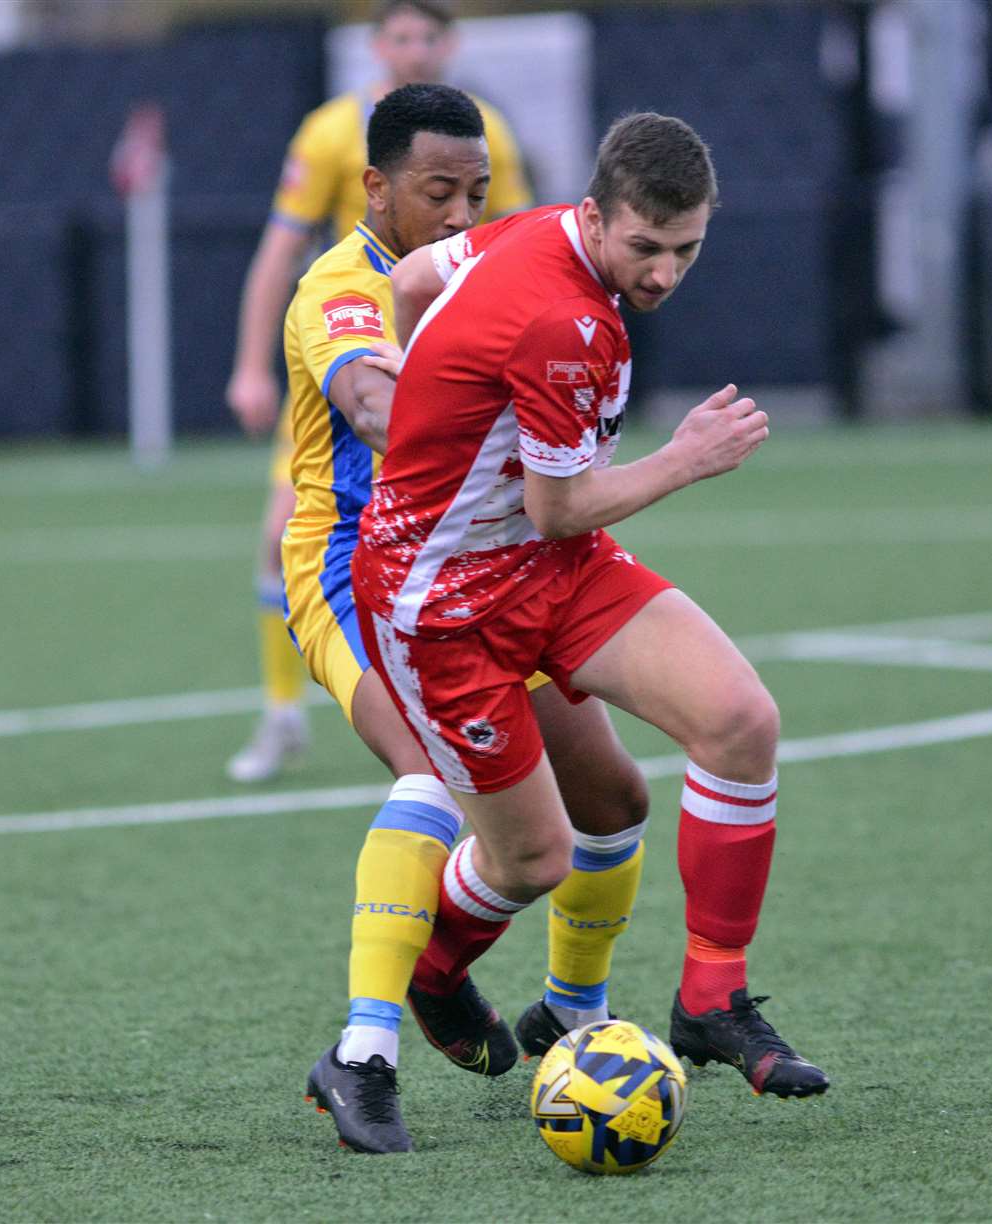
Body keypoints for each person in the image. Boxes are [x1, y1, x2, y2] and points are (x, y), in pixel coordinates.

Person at [352, 112, 831, 1115]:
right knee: (534, 859)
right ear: (598, 217)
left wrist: (439, 405)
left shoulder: (531, 230)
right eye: (645, 249)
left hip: (552, 568)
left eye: (686, 249)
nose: (662, 274)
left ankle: (713, 996)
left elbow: (411, 282)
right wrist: (686, 459)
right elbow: (559, 500)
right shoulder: (565, 321)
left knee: (740, 722)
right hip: (442, 598)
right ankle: (433, 971)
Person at [282, 84, 650, 1155]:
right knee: (436, 779)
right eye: (437, 192)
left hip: (491, 567)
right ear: (378, 187)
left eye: (477, 192)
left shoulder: (492, 263)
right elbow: (372, 403)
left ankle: (573, 1016)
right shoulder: (342, 287)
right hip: (363, 569)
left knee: (614, 794)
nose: (458, 213)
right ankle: (363, 1054)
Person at [225, 0, 530, 783]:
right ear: (378, 45)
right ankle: (282, 712)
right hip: (348, 355)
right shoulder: (330, 132)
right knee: (286, 529)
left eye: (430, 36)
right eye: (401, 36)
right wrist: (251, 365)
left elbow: (526, 248)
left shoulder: (481, 131)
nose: (416, 49)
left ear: (449, 44)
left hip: (450, 356)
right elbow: (279, 250)